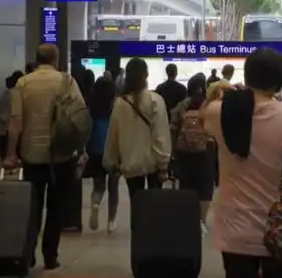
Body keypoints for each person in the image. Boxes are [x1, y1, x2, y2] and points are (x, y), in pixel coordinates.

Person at [202, 48, 282, 278]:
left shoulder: (220, 111)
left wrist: (217, 94)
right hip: (281, 230)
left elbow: (202, 116)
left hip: (234, 230)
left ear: (246, 77)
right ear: (280, 83)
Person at [4, 44, 86, 270]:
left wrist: (11, 154)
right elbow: (79, 119)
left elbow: (15, 122)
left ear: (36, 58)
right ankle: (50, 256)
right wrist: (82, 149)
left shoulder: (23, 83)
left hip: (32, 155)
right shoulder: (66, 81)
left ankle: (27, 255)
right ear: (56, 58)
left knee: (32, 207)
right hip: (61, 154)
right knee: (56, 207)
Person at [103, 57, 172, 201]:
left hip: (131, 163)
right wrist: (164, 163)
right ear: (146, 75)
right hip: (153, 163)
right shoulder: (155, 100)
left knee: (136, 204)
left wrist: (111, 160)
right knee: (154, 205)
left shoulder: (120, 103)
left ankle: (137, 224)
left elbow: (113, 134)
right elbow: (161, 134)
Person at [171, 73, 215, 232]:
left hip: (184, 151)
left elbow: (173, 127)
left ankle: (188, 218)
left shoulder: (181, 106)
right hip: (205, 150)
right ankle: (201, 222)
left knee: (187, 183)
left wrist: (174, 150)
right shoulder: (209, 105)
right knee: (205, 186)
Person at [85, 76, 120, 232]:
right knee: (114, 188)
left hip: (96, 150)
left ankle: (95, 203)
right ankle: (111, 222)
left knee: (98, 186)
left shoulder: (91, 109)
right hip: (113, 151)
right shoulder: (117, 108)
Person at [0, 71, 23, 160]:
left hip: (4, 130)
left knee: (6, 157)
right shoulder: (20, 94)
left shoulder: (4, 95)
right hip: (17, 131)